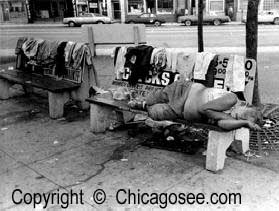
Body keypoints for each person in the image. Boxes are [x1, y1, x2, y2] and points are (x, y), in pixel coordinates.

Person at [144, 79, 262, 131]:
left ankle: (141, 105)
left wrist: (244, 123)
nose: (238, 118)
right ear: (244, 104)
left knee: (153, 112)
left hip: (180, 111)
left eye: (240, 120)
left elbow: (222, 124)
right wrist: (227, 117)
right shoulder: (232, 99)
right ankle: (141, 102)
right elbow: (205, 108)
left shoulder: (230, 117)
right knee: (152, 99)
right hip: (184, 92)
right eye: (243, 116)